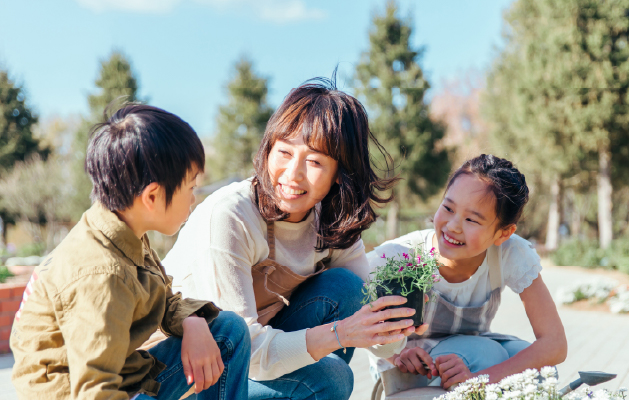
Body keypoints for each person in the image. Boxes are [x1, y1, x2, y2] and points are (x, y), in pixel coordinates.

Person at [162, 78, 426, 400]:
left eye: (314, 161)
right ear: (268, 149)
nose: (292, 174)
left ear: (340, 173)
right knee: (330, 377)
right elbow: (243, 348)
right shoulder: (230, 216)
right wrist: (340, 334)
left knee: (343, 288)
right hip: (187, 377)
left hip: (249, 362)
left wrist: (397, 325)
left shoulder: (331, 222)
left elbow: (374, 331)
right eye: (284, 152)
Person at [10, 104, 250, 400]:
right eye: (190, 187)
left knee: (226, 331)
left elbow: (163, 298)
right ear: (152, 196)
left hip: (126, 374)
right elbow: (95, 390)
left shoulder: (123, 229)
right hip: (85, 392)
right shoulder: (101, 275)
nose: (193, 199)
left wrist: (193, 321)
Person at [368, 154, 568, 389]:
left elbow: (554, 344)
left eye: (472, 220)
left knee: (540, 371)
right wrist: (397, 354)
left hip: (469, 358)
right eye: (448, 208)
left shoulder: (510, 253)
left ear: (503, 234)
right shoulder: (402, 255)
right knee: (486, 354)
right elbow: (353, 315)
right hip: (409, 366)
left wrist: (481, 381)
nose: (453, 226)